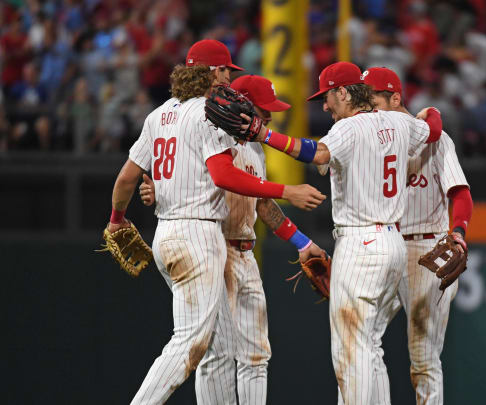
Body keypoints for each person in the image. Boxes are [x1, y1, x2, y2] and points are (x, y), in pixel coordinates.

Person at [105, 39, 324, 404]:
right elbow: (222, 176)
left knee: (218, 348)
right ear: (211, 72)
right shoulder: (209, 112)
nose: (227, 78)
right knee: (190, 340)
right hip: (198, 235)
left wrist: (116, 220)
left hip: (169, 231)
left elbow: (128, 176)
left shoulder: (159, 114)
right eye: (224, 70)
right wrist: (288, 190)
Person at [240, 61, 443, 404]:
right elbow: (434, 129)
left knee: (351, 350)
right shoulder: (398, 121)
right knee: (370, 344)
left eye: (328, 96)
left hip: (361, 242)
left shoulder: (348, 130)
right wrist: (431, 111)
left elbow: (315, 152)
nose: (324, 105)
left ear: (345, 93)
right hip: (394, 241)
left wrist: (264, 135)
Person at [364, 67, 472, 405]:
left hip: (428, 247)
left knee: (423, 359)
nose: (369, 109)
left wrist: (458, 232)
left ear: (395, 98)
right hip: (388, 245)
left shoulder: (436, 139)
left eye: (374, 101)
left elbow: (461, 194)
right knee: (360, 338)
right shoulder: (373, 139)